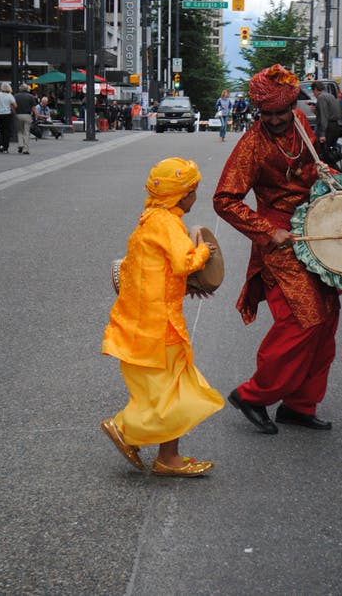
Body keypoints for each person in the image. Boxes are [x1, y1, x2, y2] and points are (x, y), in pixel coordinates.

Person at [213, 64, 340, 435]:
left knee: (327, 316)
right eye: (266, 115)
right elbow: (224, 199)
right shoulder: (252, 144)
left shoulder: (300, 120)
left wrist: (325, 173)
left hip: (314, 227)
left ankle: (299, 405)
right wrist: (267, 231)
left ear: (292, 106)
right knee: (302, 319)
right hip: (280, 237)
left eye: (280, 113)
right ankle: (253, 394)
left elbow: (309, 164)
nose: (275, 120)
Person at [101, 157, 224, 476]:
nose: (195, 196)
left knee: (170, 390)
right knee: (173, 391)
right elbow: (184, 264)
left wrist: (184, 287)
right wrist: (206, 252)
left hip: (141, 323)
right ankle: (124, 427)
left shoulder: (150, 219)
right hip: (159, 328)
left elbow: (156, 273)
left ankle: (168, 458)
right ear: (184, 195)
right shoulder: (169, 223)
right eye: (194, 190)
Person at [311, 80, 342, 151]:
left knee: (323, 150)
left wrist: (322, 134)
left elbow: (324, 116)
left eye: (313, 92)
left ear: (316, 89)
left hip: (328, 128)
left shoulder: (321, 97)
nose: (314, 94)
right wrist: (315, 111)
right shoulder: (331, 96)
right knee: (329, 149)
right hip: (335, 126)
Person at [0, 82, 16, 153]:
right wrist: (11, 108)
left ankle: (1, 145)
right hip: (7, 115)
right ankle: (5, 148)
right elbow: (15, 105)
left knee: (1, 130)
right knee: (7, 131)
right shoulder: (10, 95)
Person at [14, 83, 36, 154]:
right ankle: (25, 149)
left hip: (18, 115)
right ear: (27, 89)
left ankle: (20, 145)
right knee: (26, 132)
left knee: (19, 130)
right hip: (27, 115)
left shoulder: (16, 96)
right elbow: (33, 108)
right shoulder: (31, 96)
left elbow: (13, 105)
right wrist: (36, 115)